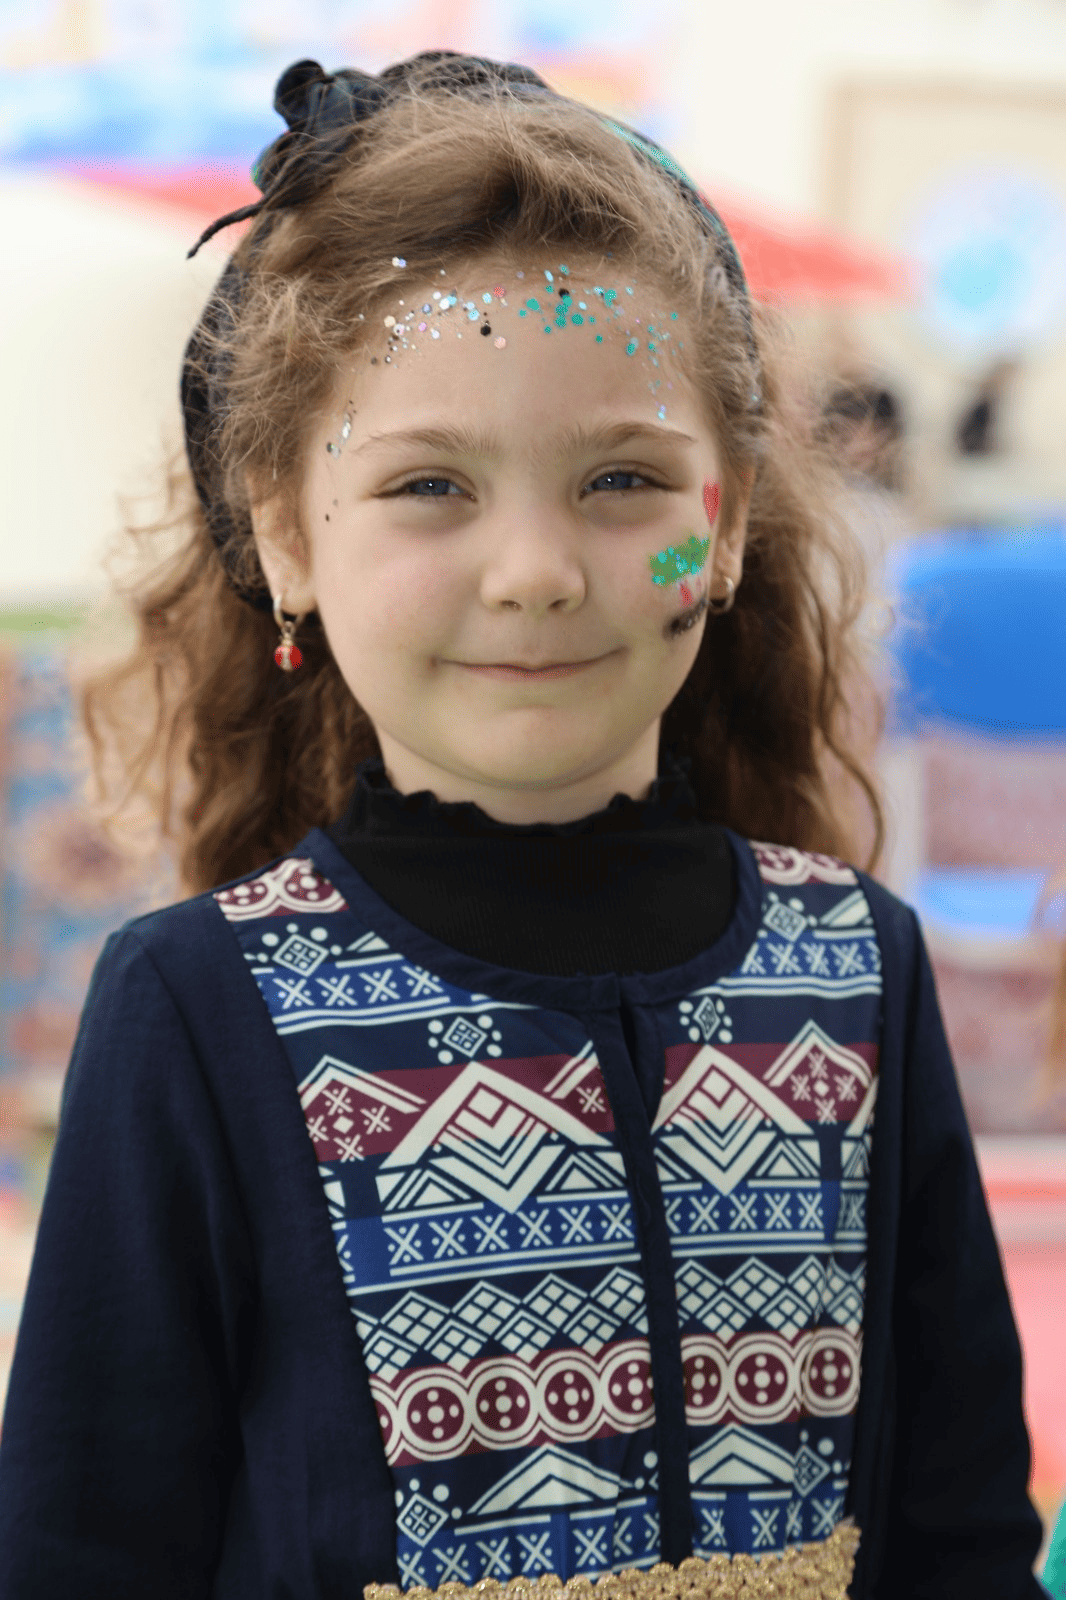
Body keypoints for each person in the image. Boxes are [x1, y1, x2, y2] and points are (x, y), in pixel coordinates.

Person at [0, 52, 1049, 1600]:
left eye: (622, 478)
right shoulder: (197, 1006)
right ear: (284, 536)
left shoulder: (854, 968)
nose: (538, 573)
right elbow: (81, 1553)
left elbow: (957, 1537)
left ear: (726, 521)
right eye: (430, 486)